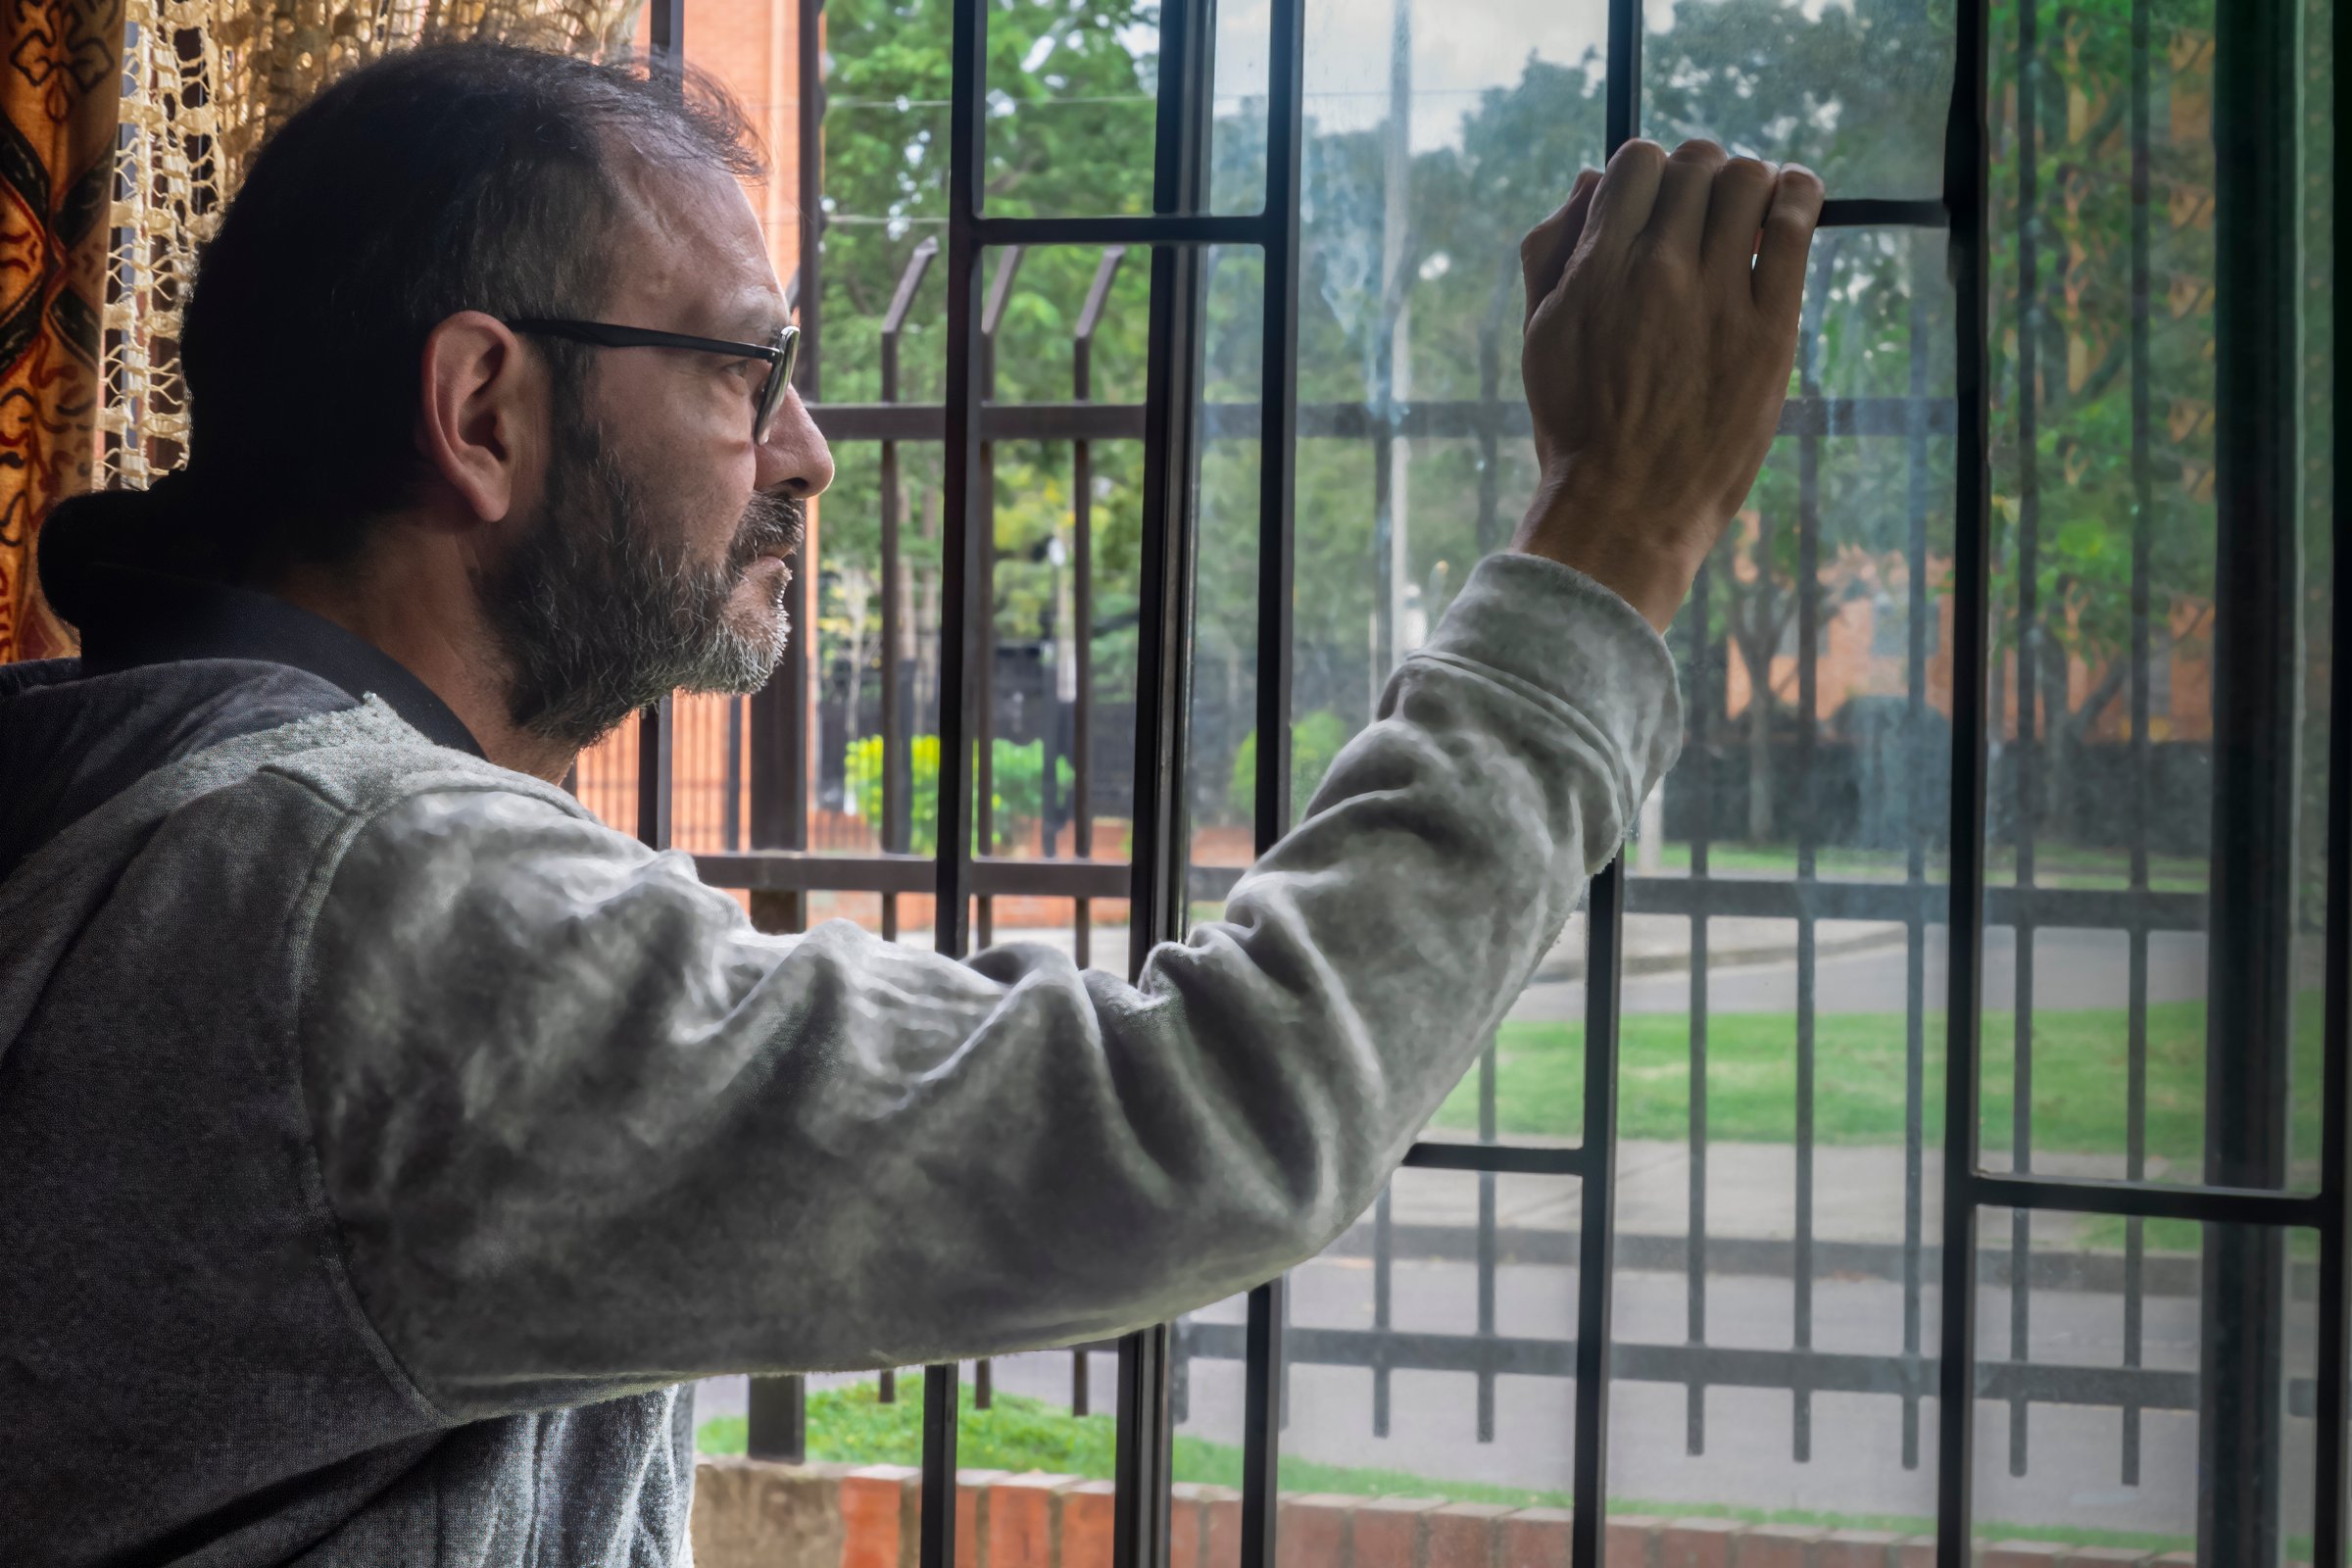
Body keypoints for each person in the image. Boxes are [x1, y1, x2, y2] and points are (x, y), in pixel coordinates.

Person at [0, 41, 1821, 1567]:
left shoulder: (120, 770)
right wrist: (1614, 536)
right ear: (482, 407)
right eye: (750, 368)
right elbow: (1203, 1116)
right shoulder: (339, 899)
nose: (807, 449)